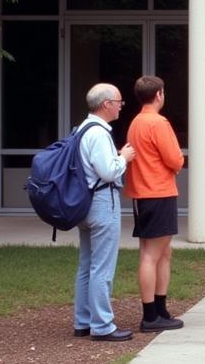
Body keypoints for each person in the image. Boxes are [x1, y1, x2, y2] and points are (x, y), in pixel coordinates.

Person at [73, 83, 136, 342]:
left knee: (86, 265)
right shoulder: (98, 134)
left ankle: (83, 321)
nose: (121, 106)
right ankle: (103, 325)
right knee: (102, 267)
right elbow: (108, 171)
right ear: (106, 104)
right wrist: (124, 157)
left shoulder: (80, 129)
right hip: (102, 203)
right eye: (119, 101)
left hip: (84, 204)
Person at [125, 74, 185, 332]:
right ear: (159, 94)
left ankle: (160, 309)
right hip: (158, 192)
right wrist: (179, 160)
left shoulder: (136, 122)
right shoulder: (159, 123)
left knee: (162, 252)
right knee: (151, 255)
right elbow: (175, 159)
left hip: (142, 193)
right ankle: (150, 315)